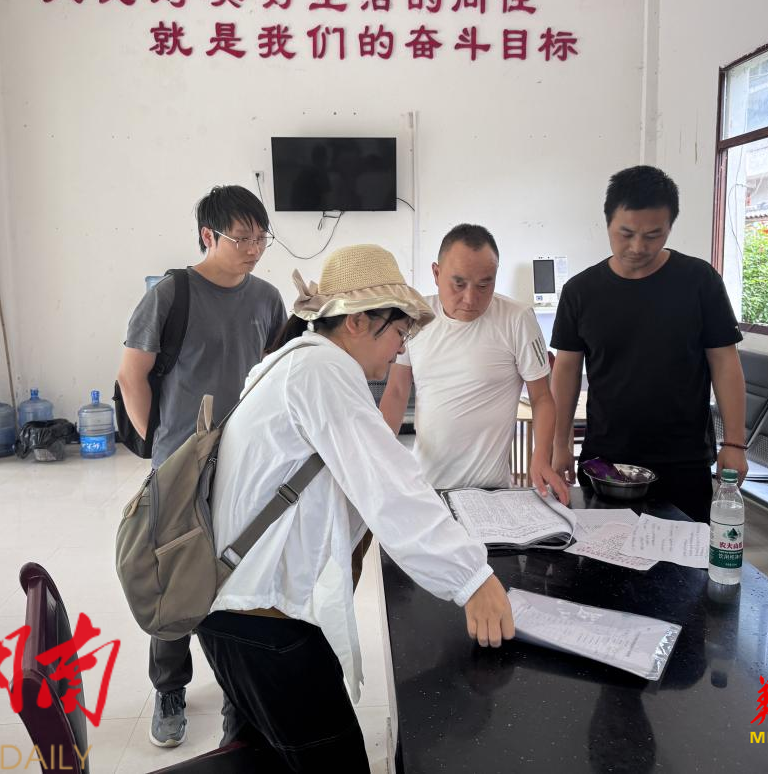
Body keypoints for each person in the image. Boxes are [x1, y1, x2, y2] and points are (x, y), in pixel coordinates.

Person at [199, 244, 514, 772]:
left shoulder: (294, 362)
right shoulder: (321, 370)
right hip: (261, 625)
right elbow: (389, 487)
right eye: (399, 331)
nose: (401, 347)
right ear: (358, 321)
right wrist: (472, 578)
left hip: (241, 613)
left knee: (264, 758)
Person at [117, 185, 286, 748]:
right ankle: (169, 688)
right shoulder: (171, 294)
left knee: (240, 576)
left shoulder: (267, 299)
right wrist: (160, 447)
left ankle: (241, 690)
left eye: (261, 238)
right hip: (181, 463)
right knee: (176, 574)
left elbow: (275, 372)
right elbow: (131, 375)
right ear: (208, 236)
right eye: (242, 238)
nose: (254, 249)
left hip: (246, 461)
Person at [550, 165, 747, 522]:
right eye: (626, 233)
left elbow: (725, 363)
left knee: (686, 554)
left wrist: (734, 443)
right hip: (606, 460)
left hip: (684, 459)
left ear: (669, 228)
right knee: (603, 554)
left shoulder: (699, 281)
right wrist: (560, 443)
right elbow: (566, 370)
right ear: (607, 223)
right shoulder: (581, 291)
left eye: (654, 235)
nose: (638, 247)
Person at [380, 224, 568, 502]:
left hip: (491, 490)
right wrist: (380, 456)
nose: (470, 299)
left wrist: (540, 456)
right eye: (459, 284)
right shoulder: (416, 317)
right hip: (427, 487)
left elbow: (541, 398)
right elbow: (396, 392)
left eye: (483, 285)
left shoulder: (516, 319)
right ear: (436, 274)